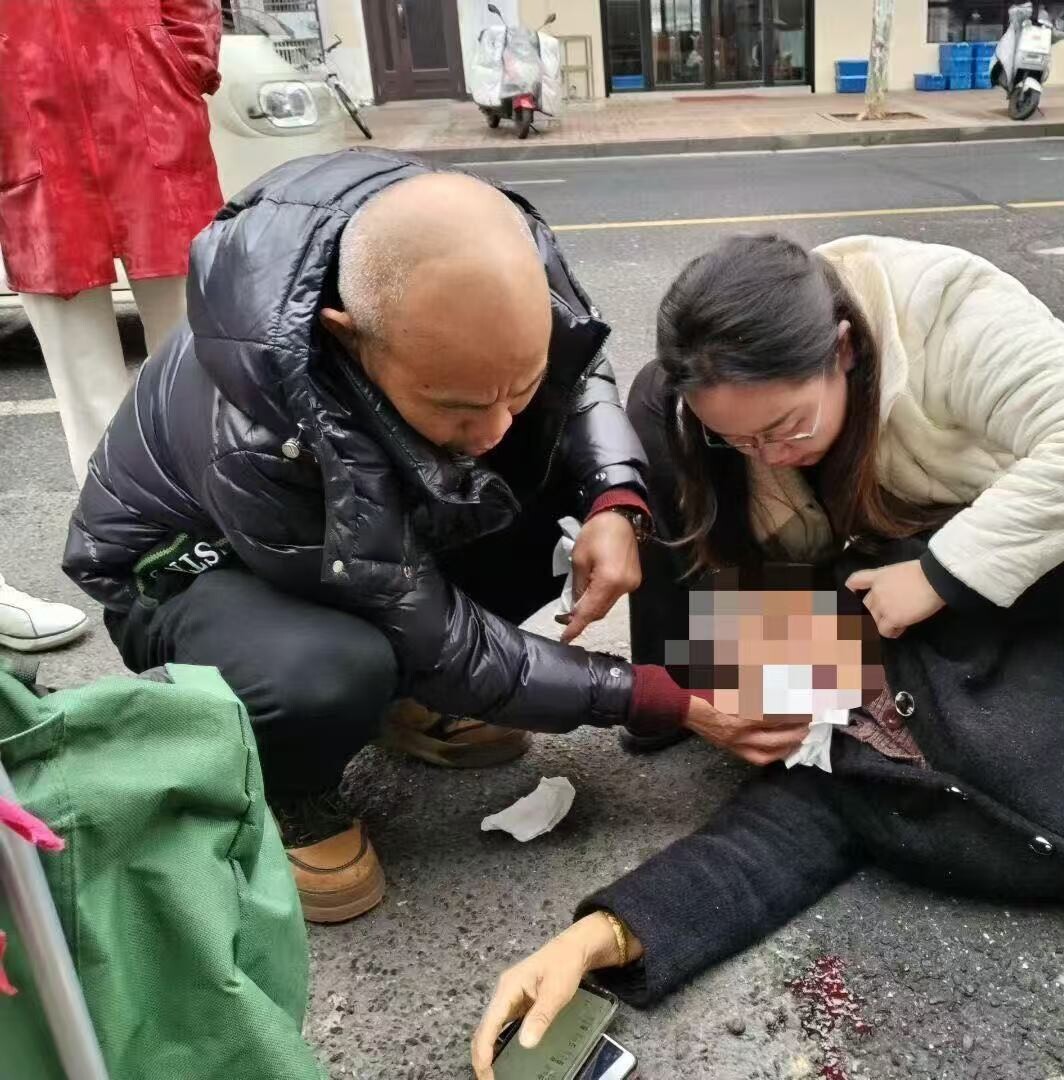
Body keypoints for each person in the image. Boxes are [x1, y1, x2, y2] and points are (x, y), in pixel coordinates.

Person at [62, 151, 805, 924]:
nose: (490, 433)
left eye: (515, 389)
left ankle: (406, 702)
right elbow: (432, 636)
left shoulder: (506, 268)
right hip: (186, 577)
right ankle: (294, 788)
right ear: (348, 337)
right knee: (333, 669)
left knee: (557, 461)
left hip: (354, 544)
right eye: (456, 406)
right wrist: (660, 700)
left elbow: (579, 375)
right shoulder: (256, 436)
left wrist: (615, 503)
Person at [471, 511, 1064, 1076]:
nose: (744, 683)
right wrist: (587, 941)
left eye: (748, 639)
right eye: (719, 694)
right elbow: (734, 872)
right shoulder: (837, 790)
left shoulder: (928, 594)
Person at [623, 233, 1064, 751]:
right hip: (852, 559)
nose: (770, 457)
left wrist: (939, 575)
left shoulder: (956, 317)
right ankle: (700, 687)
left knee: (895, 736)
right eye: (739, 440)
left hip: (959, 554)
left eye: (788, 427)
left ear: (844, 348)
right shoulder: (734, 381)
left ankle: (885, 698)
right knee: (655, 395)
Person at [0, 0, 223, 483]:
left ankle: (210, 498)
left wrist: (180, 62)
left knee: (192, 347)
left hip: (151, 113)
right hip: (28, 130)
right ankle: (113, 510)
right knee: (83, 375)